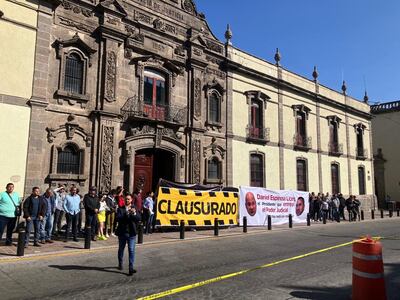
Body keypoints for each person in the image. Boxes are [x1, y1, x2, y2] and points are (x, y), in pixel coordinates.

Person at [115, 193, 141, 276]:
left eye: (128, 199)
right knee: (121, 249)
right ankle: (120, 263)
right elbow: (118, 218)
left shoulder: (135, 208)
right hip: (122, 233)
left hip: (131, 233)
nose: (127, 200)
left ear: (131, 200)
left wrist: (133, 214)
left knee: (131, 250)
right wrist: (126, 213)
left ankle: (131, 268)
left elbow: (138, 218)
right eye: (126, 199)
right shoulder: (120, 209)